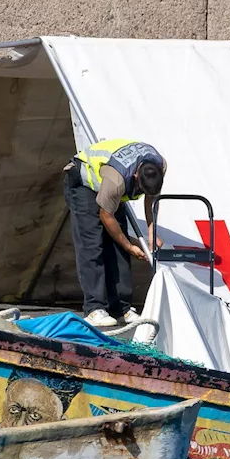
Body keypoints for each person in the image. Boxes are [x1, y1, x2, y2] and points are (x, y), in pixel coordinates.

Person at [65, 139, 167, 327]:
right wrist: (129, 245)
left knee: (118, 249)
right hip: (84, 184)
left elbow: (152, 199)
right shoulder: (117, 180)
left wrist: (152, 231)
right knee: (92, 244)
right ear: (136, 176)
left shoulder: (160, 165)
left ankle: (122, 308)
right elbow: (106, 215)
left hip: (111, 186)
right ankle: (94, 308)